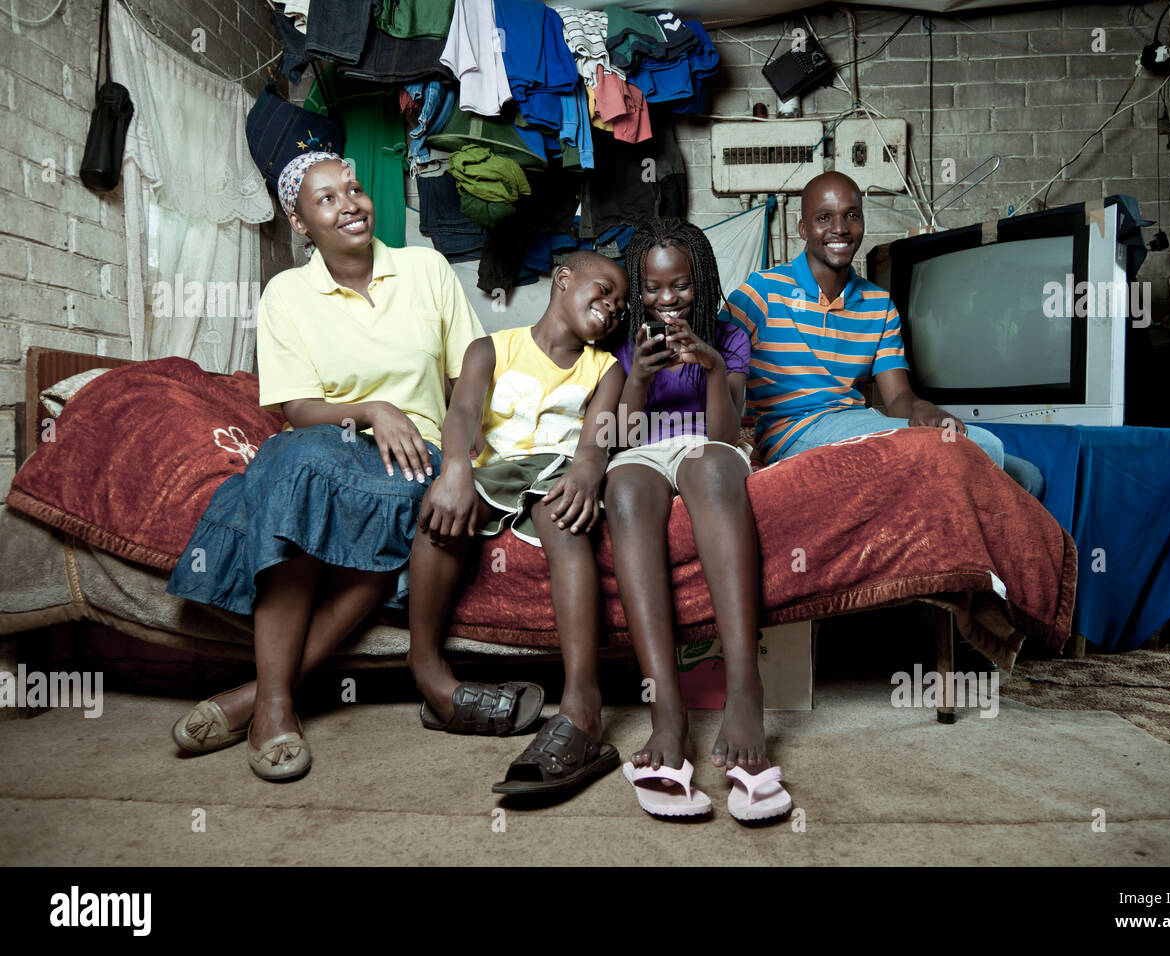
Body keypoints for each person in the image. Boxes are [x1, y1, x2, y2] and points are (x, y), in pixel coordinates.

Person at [166, 152, 542, 782]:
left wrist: (457, 461)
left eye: (354, 189)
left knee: (390, 512)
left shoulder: (424, 268)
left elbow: (470, 370)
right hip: (324, 445)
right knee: (300, 480)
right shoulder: (287, 293)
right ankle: (277, 705)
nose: (350, 204)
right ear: (301, 223)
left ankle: (260, 700)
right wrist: (370, 410)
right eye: (327, 199)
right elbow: (296, 406)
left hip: (413, 457)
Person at [413, 251, 628, 796]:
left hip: (556, 468)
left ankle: (582, 703)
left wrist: (587, 473)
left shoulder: (606, 368)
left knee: (564, 519)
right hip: (494, 469)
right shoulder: (490, 347)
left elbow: (597, 436)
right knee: (440, 515)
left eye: (621, 305)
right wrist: (455, 467)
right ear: (562, 279)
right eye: (602, 290)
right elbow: (461, 413)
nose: (611, 308)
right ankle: (426, 666)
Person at [603, 219, 792, 822]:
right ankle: (667, 713)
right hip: (643, 449)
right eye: (654, 289)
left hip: (705, 445)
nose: (666, 300)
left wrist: (711, 367)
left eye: (680, 287)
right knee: (624, 488)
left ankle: (745, 693)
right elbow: (626, 436)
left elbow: (722, 436)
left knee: (711, 469)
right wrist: (638, 375)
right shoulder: (629, 340)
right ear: (639, 290)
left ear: (701, 283)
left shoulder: (729, 334)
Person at [725, 170, 1044, 497]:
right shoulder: (761, 292)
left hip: (857, 424)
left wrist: (921, 407)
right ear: (803, 229)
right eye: (824, 217)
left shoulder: (879, 304)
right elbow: (712, 366)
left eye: (852, 215)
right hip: (793, 433)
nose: (840, 228)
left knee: (1027, 475)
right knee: (985, 447)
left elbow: (897, 398)